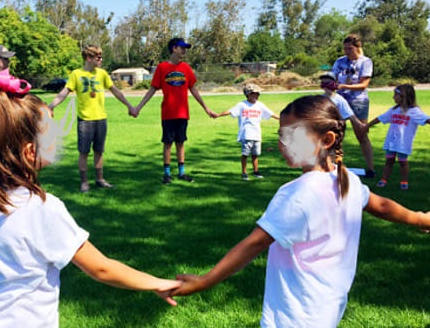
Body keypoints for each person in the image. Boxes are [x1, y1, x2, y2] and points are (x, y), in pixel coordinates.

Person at [0, 83, 181, 327]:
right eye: (51, 133)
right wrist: (155, 283)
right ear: (30, 150)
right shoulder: (43, 209)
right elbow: (101, 268)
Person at [169, 95, 430, 327]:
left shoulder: (296, 195)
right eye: (281, 136)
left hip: (293, 314)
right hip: (327, 308)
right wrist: (420, 218)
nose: (283, 144)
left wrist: (204, 281)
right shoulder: (346, 178)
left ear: (326, 140)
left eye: (292, 136)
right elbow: (381, 206)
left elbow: (254, 244)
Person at [48, 45, 136, 192]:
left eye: (101, 57)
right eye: (98, 57)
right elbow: (63, 93)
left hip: (101, 119)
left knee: (99, 151)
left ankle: (100, 179)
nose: (101, 60)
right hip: (85, 120)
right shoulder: (76, 74)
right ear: (89, 58)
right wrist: (50, 106)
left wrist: (129, 106)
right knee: (84, 152)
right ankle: (84, 182)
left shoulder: (102, 74)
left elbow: (115, 91)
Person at [135, 37, 215, 184]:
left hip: (183, 113)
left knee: (180, 142)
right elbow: (152, 89)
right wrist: (138, 107)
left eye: (185, 48)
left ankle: (181, 172)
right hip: (168, 113)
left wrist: (206, 108)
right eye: (182, 47)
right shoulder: (162, 67)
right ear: (174, 48)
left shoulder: (186, 68)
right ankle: (167, 174)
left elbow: (193, 89)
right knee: (168, 143)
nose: (184, 51)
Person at [366, 84, 430, 190]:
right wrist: (367, 126)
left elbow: (427, 119)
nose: (393, 97)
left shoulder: (414, 112)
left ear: (404, 96)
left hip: (403, 143)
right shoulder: (394, 110)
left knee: (403, 162)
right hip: (391, 141)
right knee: (389, 161)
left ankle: (404, 182)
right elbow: (380, 118)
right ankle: (384, 180)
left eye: (396, 95)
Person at [332, 34, 375, 178]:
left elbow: (364, 84)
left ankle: (370, 168)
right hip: (340, 100)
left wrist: (343, 85)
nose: (347, 52)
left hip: (358, 101)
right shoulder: (339, 62)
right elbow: (333, 78)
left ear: (358, 47)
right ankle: (335, 165)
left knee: (361, 133)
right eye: (345, 49)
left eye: (350, 49)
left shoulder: (365, 62)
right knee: (336, 133)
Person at [214, 83, 279, 180]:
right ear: (248, 94)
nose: (257, 96)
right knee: (245, 154)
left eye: (258, 94)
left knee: (255, 154)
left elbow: (270, 113)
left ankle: (256, 171)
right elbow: (230, 111)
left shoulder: (260, 105)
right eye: (255, 94)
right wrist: (219, 115)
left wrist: (283, 119)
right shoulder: (242, 105)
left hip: (257, 134)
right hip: (246, 134)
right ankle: (244, 172)